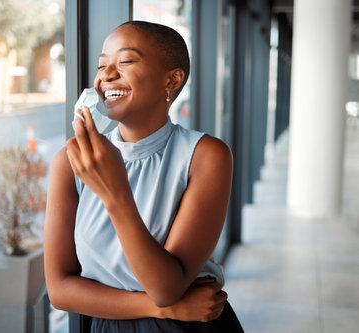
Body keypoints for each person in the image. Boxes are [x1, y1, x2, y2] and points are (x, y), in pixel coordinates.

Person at [44, 20, 244, 332]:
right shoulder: (69, 163)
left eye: (125, 61)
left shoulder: (206, 156)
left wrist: (115, 193)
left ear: (172, 79)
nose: (107, 75)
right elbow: (60, 290)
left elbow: (166, 288)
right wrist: (165, 310)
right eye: (102, 65)